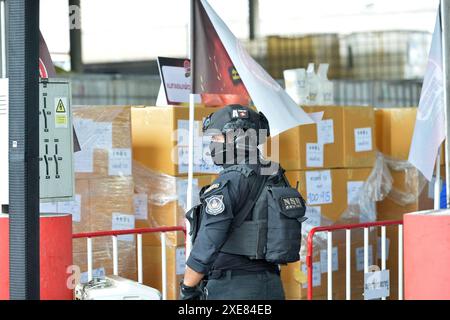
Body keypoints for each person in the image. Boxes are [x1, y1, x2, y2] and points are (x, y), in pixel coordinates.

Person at [180, 104, 306, 300]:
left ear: (235, 137)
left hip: (233, 289)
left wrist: (187, 287)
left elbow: (208, 242)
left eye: (216, 138)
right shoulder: (274, 173)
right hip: (271, 284)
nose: (213, 145)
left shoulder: (230, 180)